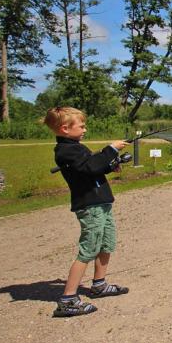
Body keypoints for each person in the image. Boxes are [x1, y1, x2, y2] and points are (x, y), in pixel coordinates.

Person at [43, 106, 130, 317]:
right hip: (90, 206)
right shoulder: (66, 151)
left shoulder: (76, 147)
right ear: (65, 128)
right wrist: (111, 149)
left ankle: (99, 284)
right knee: (88, 249)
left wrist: (111, 164)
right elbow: (90, 167)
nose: (84, 129)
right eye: (81, 126)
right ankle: (68, 299)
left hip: (101, 203)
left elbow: (92, 168)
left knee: (106, 243)